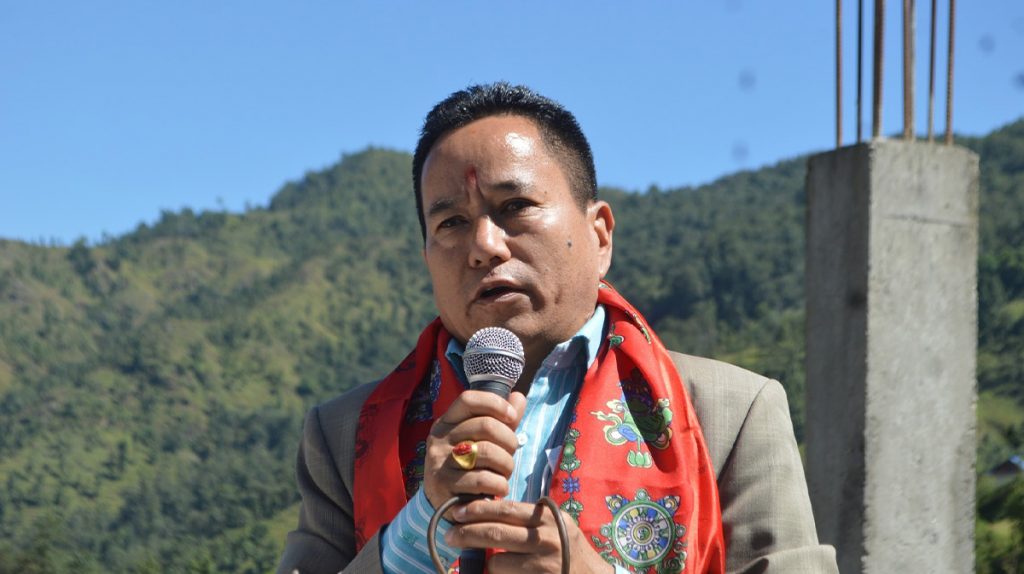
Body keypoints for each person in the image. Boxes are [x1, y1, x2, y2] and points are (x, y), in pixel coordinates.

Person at [276, 83, 838, 574]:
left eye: (515, 206)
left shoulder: (729, 414)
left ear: (600, 235)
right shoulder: (345, 435)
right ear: (426, 258)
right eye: (451, 222)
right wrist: (419, 525)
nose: (483, 246)